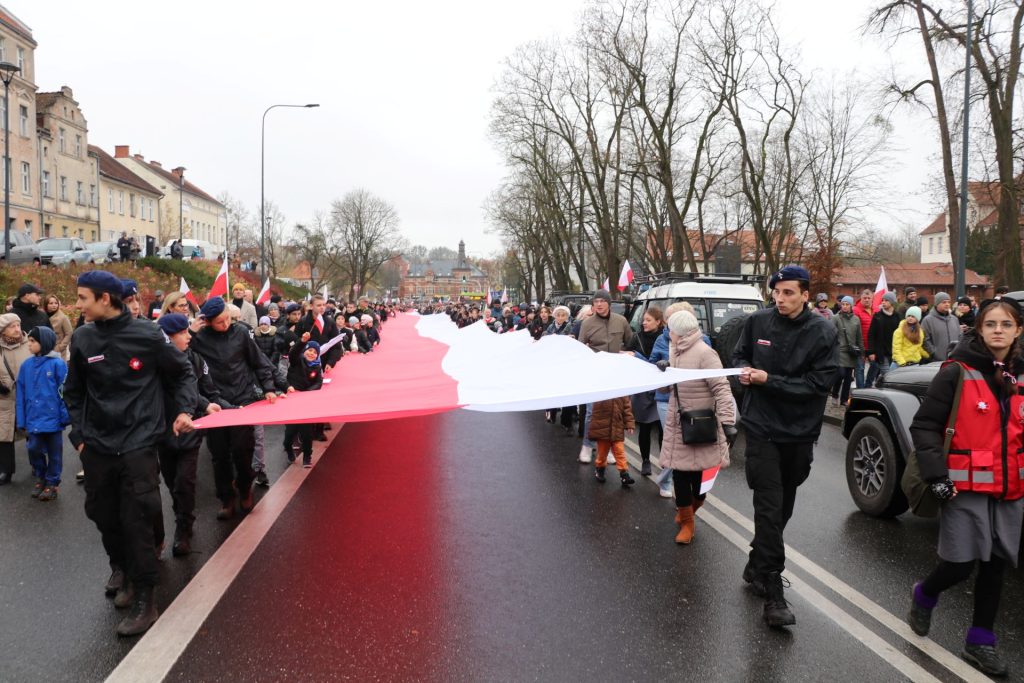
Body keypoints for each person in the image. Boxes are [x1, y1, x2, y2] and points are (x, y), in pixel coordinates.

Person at [64, 271, 197, 637]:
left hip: (138, 444)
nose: (77, 305)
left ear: (105, 298)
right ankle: (120, 568)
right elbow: (73, 391)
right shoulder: (83, 337)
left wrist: (185, 410)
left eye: (82, 298)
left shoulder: (148, 335)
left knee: (138, 518)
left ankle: (145, 599)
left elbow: (182, 373)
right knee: (104, 516)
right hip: (97, 447)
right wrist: (79, 436)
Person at [906, 298, 1024, 677]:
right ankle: (925, 592)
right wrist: (937, 477)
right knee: (959, 565)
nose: (998, 331)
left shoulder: (1021, 373)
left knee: (995, 566)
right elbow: (924, 426)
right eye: (991, 324)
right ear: (980, 328)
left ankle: (980, 641)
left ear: (1017, 330)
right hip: (963, 485)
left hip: (1010, 488)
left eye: (1006, 324)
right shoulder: (957, 370)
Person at [731, 264, 838, 628]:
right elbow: (739, 356)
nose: (780, 299)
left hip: (798, 433)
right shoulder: (757, 323)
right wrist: (745, 371)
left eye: (789, 292)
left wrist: (768, 379)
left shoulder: (823, 331)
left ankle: (756, 562)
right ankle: (774, 593)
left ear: (806, 295)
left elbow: (816, 385)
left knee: (782, 510)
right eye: (776, 292)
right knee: (769, 506)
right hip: (761, 429)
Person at [189, 296, 278, 520]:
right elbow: (176, 353)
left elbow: (258, 360)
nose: (226, 324)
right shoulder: (199, 338)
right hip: (216, 404)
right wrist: (190, 332)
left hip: (243, 399)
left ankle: (246, 489)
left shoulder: (240, 333)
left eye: (227, 319)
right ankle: (226, 499)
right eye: (220, 322)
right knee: (219, 456)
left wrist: (268, 387)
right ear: (207, 322)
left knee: (243, 450)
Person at [658, 310, 736, 544]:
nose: (668, 333)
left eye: (670, 329)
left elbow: (721, 388)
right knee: (680, 475)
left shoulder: (705, 353)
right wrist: (663, 372)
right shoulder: (675, 351)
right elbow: (667, 389)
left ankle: (692, 508)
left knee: (700, 481)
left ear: (679, 332)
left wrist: (728, 422)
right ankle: (687, 523)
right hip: (679, 425)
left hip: (702, 425)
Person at [155, 314, 228, 556]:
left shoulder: (194, 359)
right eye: (183, 333)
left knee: (185, 482)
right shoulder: (154, 363)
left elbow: (199, 387)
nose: (189, 336)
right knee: (171, 482)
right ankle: (181, 514)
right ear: (167, 337)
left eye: (189, 331)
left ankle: (183, 530)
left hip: (189, 431)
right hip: (162, 433)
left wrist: (209, 404)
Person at [577, 290, 633, 463]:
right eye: (596, 301)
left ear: (609, 303)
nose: (599, 304)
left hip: (615, 372)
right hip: (595, 372)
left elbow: (630, 342)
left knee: (613, 412)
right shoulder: (587, 323)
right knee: (592, 412)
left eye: (602, 301)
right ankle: (587, 446)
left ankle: (606, 449)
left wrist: (628, 353)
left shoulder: (621, 321)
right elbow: (580, 349)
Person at [15, 326, 69, 501]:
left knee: (54, 452)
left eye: (32, 341)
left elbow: (64, 392)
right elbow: (21, 394)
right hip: (33, 417)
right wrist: (21, 419)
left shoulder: (57, 364)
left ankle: (52, 482)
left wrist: (64, 416)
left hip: (53, 418)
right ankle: (41, 475)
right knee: (33, 448)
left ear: (43, 342)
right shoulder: (26, 366)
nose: (28, 345)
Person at [624, 306, 665, 476]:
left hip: (661, 388)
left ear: (658, 321)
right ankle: (646, 461)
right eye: (644, 320)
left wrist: (639, 358)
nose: (644, 323)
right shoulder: (637, 337)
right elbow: (628, 354)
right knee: (645, 427)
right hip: (643, 389)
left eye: (648, 320)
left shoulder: (664, 339)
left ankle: (664, 462)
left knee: (663, 429)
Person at [0, 314, 31, 484]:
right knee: (4, 436)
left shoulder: (30, 344)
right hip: (4, 398)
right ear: (3, 330)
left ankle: (37, 464)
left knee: (33, 432)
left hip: (27, 397)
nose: (18, 329)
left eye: (18, 325)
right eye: (12, 326)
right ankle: (6, 471)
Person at [283, 341, 324, 467]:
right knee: (290, 433)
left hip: (306, 403)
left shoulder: (317, 367)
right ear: (305, 350)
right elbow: (294, 352)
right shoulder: (297, 360)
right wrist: (302, 342)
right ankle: (288, 449)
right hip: (293, 401)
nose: (312, 354)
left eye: (315, 352)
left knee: (307, 433)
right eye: (310, 350)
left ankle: (307, 457)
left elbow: (318, 383)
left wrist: (307, 393)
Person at [589, 395, 636, 488]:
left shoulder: (622, 391)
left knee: (620, 451)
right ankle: (600, 469)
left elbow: (627, 408)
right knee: (602, 453)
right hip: (603, 427)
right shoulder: (602, 390)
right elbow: (595, 409)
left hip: (617, 426)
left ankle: (624, 475)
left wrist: (629, 424)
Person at [832, 296, 861, 405]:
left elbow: (859, 337)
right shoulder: (836, 318)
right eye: (843, 304)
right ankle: (835, 394)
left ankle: (844, 399)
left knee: (848, 377)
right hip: (839, 351)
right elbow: (830, 335)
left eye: (847, 304)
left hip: (851, 352)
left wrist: (861, 352)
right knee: (840, 374)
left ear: (851, 306)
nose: (844, 306)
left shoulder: (856, 319)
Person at [866, 292, 900, 385]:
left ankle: (878, 385)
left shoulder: (897, 316)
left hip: (893, 352)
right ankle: (868, 387)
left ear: (892, 302)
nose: (883, 302)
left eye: (886, 300)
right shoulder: (877, 316)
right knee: (887, 374)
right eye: (883, 300)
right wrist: (871, 351)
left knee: (885, 375)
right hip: (881, 352)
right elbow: (871, 334)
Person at [922, 292, 961, 362]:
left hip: (955, 360)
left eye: (949, 302)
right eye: (944, 302)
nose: (947, 304)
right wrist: (934, 353)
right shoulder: (927, 320)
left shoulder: (954, 319)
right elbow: (925, 340)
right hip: (936, 362)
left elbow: (960, 336)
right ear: (936, 304)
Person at [851, 289, 874, 387]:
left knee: (875, 366)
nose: (867, 300)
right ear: (861, 298)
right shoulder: (855, 310)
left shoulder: (876, 310)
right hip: (860, 345)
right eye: (865, 298)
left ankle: (868, 385)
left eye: (869, 298)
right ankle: (861, 389)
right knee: (860, 368)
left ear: (872, 299)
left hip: (872, 345)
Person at [45, 294, 73, 361]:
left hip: (59, 351)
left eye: (56, 303)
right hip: (46, 350)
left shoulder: (63, 317)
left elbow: (69, 333)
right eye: (51, 303)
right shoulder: (43, 316)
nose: (54, 305)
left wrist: (60, 347)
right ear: (46, 305)